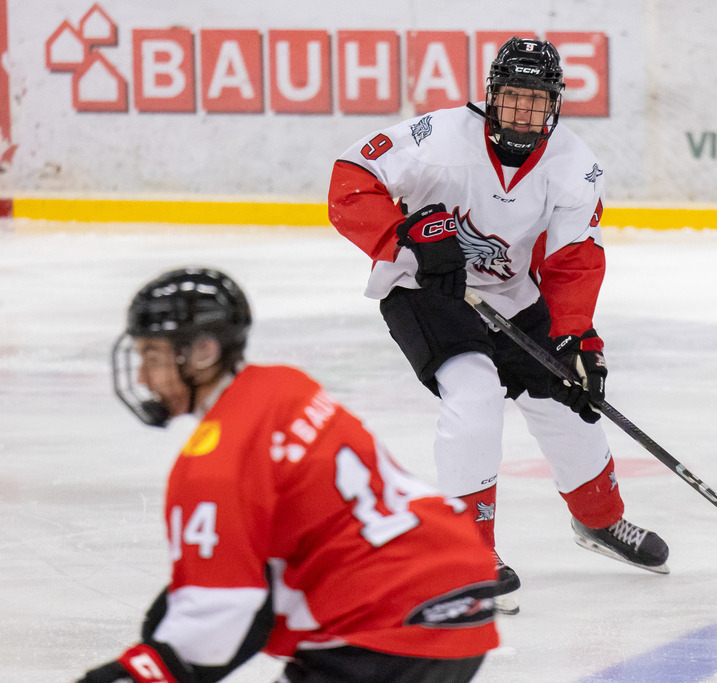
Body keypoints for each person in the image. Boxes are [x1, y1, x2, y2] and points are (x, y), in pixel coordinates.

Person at [327, 36, 669, 615]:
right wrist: (403, 236)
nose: (522, 114)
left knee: (565, 398)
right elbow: (350, 180)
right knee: (474, 394)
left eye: (536, 103)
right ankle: (463, 552)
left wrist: (578, 339)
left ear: (554, 106)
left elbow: (573, 260)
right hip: (424, 290)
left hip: (515, 296)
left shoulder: (575, 166)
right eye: (512, 99)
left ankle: (600, 521)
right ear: (490, 96)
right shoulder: (437, 137)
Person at [79, 267, 498, 683]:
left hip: (384, 630)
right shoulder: (285, 386)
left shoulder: (210, 468)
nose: (141, 377)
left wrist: (135, 672)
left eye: (153, 357)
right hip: (459, 591)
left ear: (204, 352)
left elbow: (216, 622)